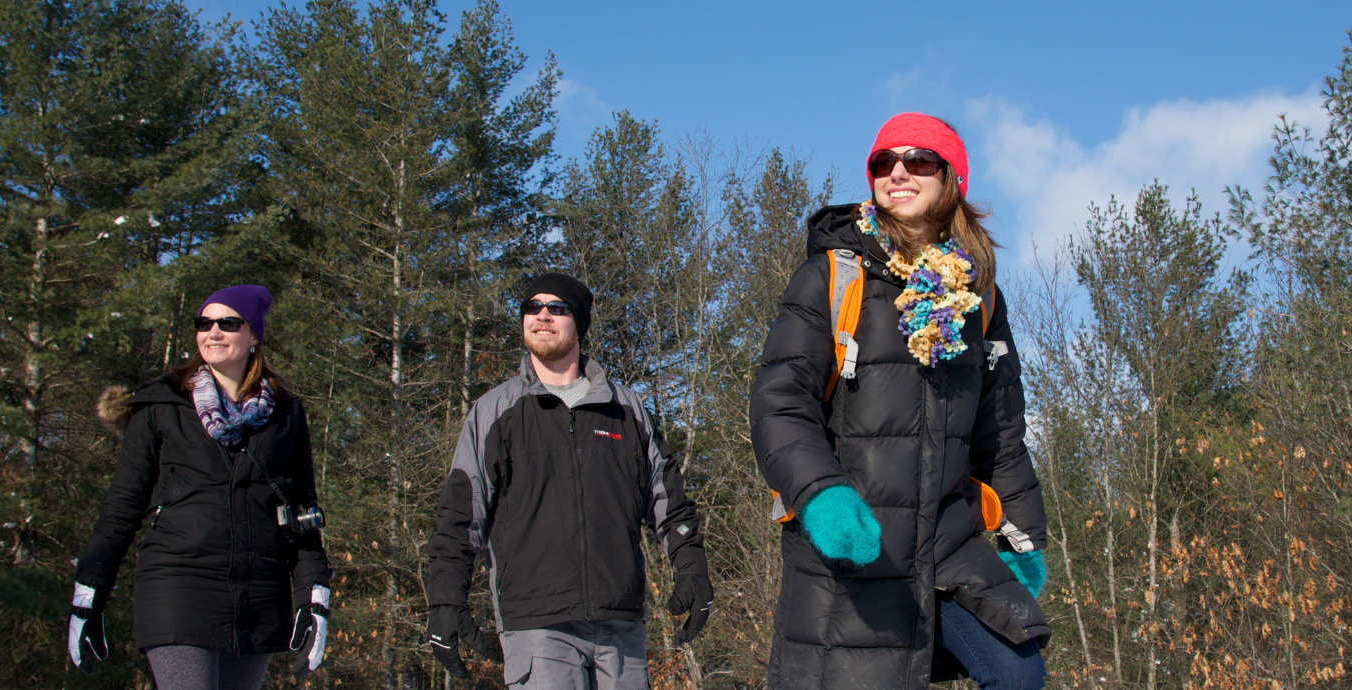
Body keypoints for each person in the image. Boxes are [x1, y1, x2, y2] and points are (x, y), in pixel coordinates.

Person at [749, 112, 1051, 690]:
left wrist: (1023, 532)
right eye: (884, 162)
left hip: (948, 541)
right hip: (855, 540)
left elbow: (1001, 432)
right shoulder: (832, 276)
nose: (898, 172)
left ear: (951, 178)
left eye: (919, 160)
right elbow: (780, 402)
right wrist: (821, 495)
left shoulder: (978, 295)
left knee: (1017, 672)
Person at [424, 273, 712, 689]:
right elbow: (457, 517)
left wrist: (693, 572)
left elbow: (671, 503)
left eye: (557, 308)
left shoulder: (626, 409)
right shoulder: (494, 413)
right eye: (532, 307)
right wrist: (446, 601)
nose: (542, 315)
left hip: (621, 628)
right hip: (538, 628)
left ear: (578, 322)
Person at [70, 285, 333, 689]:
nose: (213, 332)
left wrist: (314, 595)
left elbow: (302, 511)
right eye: (203, 323)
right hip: (178, 583)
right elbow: (122, 506)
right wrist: (89, 592)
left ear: (254, 335)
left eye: (228, 323)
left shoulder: (285, 411)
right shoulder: (162, 404)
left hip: (259, 593)